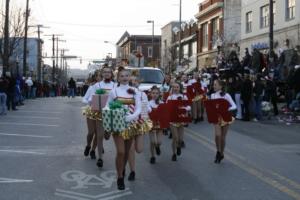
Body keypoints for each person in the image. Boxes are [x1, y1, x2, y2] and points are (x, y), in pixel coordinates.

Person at [106, 67, 141, 190]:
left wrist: (131, 116)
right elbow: (107, 107)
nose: (125, 77)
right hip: (117, 125)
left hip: (131, 125)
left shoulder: (135, 91)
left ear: (130, 77)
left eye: (127, 75)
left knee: (126, 152)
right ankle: (120, 177)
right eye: (122, 76)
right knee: (120, 151)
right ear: (118, 78)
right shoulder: (113, 92)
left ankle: (122, 167)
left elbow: (139, 108)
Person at [127, 74, 152, 181]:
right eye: (131, 80)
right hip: (128, 124)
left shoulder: (143, 94)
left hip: (140, 122)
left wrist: (147, 109)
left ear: (138, 82)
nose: (133, 82)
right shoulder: (125, 93)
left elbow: (147, 107)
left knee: (139, 149)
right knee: (131, 149)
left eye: (135, 80)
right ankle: (132, 171)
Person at [211, 79, 236, 163]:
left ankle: (221, 153)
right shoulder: (213, 95)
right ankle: (218, 151)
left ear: (220, 86)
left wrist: (226, 109)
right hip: (217, 118)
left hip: (225, 117)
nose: (213, 86)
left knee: (222, 138)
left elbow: (234, 106)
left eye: (215, 84)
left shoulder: (226, 95)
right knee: (217, 135)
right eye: (213, 84)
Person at [167, 82, 190, 161]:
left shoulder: (184, 96)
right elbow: (167, 107)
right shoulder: (170, 97)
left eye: (177, 87)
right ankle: (174, 154)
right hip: (173, 119)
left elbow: (188, 106)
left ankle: (178, 147)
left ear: (180, 88)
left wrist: (185, 109)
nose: (175, 88)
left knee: (180, 139)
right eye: (174, 87)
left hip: (181, 119)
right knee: (175, 138)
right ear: (172, 88)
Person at [82, 73, 99, 161]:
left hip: (103, 112)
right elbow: (84, 99)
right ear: (96, 77)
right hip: (91, 111)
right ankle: (88, 146)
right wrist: (89, 101)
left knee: (98, 133)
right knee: (91, 132)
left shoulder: (110, 87)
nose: (101, 78)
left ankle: (93, 150)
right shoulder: (92, 87)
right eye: (99, 76)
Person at [148, 86, 164, 164]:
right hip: (151, 124)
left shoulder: (162, 103)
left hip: (159, 124)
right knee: (153, 142)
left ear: (159, 94)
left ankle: (158, 147)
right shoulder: (148, 103)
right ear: (150, 94)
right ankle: (152, 156)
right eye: (153, 93)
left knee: (159, 142)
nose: (155, 95)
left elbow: (165, 114)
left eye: (156, 93)